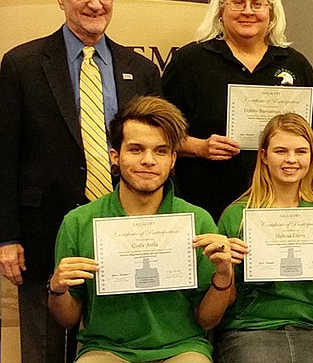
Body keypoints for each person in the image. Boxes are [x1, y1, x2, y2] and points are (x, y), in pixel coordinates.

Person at [0, 0, 160, 363]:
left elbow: (158, 151)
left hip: (128, 229)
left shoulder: (140, 69)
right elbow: (5, 155)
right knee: (45, 348)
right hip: (44, 230)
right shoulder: (22, 64)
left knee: (118, 342)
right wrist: (7, 237)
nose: (95, 4)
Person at [48, 95, 234, 362]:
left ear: (173, 159)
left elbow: (206, 321)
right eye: (136, 149)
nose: (148, 160)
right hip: (105, 349)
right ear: (115, 156)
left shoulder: (197, 220)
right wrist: (58, 288)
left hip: (182, 348)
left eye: (160, 151)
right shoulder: (79, 221)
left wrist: (224, 275)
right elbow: (68, 319)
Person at [162, 0, 313, 222]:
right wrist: (199, 147)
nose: (248, 11)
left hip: (280, 210)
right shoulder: (190, 61)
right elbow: (159, 134)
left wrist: (312, 147)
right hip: (207, 204)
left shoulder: (295, 63)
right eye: (238, 3)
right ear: (221, 10)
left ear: (271, 12)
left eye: (257, 4)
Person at [215, 113, 313, 363]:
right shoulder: (237, 215)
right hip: (250, 327)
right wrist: (225, 266)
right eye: (281, 151)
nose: (291, 160)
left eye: (301, 151)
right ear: (263, 155)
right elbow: (227, 300)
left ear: (312, 157)